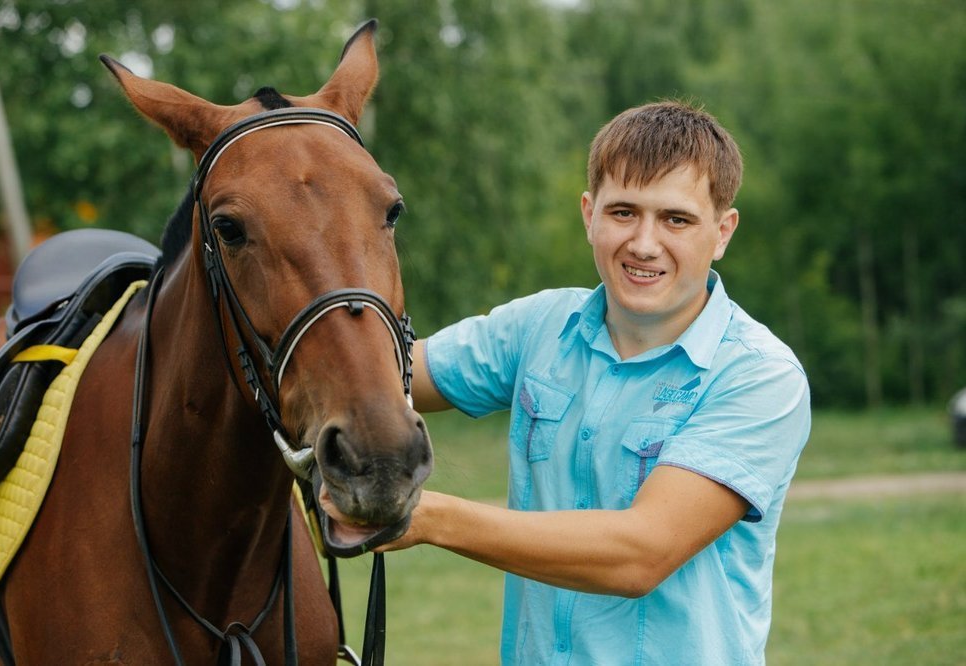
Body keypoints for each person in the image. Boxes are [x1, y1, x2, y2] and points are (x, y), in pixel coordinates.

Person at [336, 101, 811, 664]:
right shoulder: (538, 327)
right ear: (589, 214)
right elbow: (381, 377)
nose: (643, 243)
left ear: (723, 230)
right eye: (623, 212)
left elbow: (641, 554)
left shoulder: (759, 375)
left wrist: (428, 517)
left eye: (675, 219)